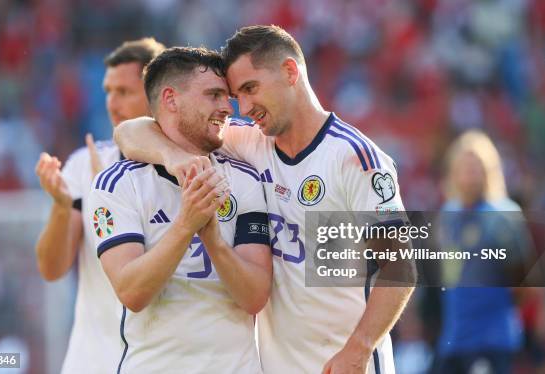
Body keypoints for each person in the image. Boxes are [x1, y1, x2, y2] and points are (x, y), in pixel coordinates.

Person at [114, 25, 415, 374]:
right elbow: (129, 132)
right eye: (237, 95)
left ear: (290, 72)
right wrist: (173, 157)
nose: (243, 107)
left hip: (344, 363)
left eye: (250, 89)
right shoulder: (252, 145)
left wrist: (358, 349)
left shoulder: (355, 158)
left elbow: (401, 266)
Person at [87, 47, 272, 373]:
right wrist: (185, 225)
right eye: (213, 95)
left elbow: (255, 297)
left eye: (226, 97)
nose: (226, 107)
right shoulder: (116, 185)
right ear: (171, 99)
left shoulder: (244, 178)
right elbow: (131, 292)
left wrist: (212, 239)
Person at [34, 37, 165, 374]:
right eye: (108, 91)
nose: (111, 103)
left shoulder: (199, 169)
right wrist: (63, 207)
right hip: (93, 362)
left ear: (159, 96)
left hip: (164, 360)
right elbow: (52, 269)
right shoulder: (83, 165)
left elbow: (321, 269)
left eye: (123, 92)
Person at [435, 130, 533, 374]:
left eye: (476, 166)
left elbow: (524, 283)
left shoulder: (502, 216)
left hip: (490, 339)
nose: (470, 173)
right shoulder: (448, 216)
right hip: (454, 338)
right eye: (465, 166)